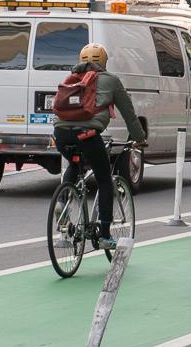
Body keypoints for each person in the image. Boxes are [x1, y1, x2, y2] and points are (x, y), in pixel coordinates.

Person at [53, 43, 147, 251]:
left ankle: (62, 201)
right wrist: (139, 137)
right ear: (104, 62)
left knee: (74, 164)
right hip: (88, 135)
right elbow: (129, 113)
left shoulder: (72, 77)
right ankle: (104, 234)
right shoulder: (111, 80)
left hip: (61, 133)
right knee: (104, 179)